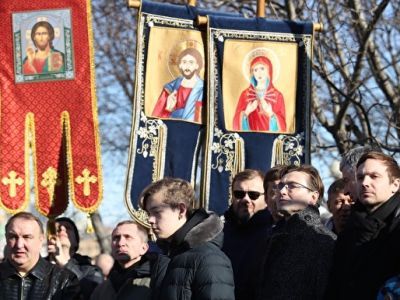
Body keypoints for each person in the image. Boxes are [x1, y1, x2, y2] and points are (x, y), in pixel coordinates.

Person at [141, 177, 235, 300]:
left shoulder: (210, 259)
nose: (150, 220)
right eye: (149, 214)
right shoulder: (165, 256)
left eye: (157, 212)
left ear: (181, 210)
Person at [256, 165, 336, 299]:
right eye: (280, 186)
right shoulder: (273, 237)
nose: (282, 191)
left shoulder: (322, 241)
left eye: (292, 186)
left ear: (313, 197)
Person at [327, 151, 400, 299]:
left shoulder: (396, 227)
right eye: (360, 177)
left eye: (374, 176)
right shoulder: (349, 229)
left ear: (395, 184)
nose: (365, 183)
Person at [0, 212, 80, 299]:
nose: (19, 245)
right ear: (6, 239)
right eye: (13, 237)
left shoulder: (64, 280)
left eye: (27, 237)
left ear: (41, 240)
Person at [222, 169, 273, 300]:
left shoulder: (274, 235)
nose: (246, 199)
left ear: (266, 197)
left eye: (253, 194)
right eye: (239, 194)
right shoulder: (218, 233)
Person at [90, 220, 168, 300]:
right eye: (116, 238)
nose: (120, 243)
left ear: (143, 248)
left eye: (128, 237)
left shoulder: (159, 282)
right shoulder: (102, 289)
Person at [47, 217, 103, 299]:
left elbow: (93, 293)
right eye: (57, 229)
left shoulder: (90, 269)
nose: (62, 229)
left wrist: (65, 263)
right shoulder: (38, 265)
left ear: (76, 242)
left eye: (68, 228)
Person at [233, 55, 286, 132]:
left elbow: (283, 126)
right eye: (255, 70)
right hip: (250, 137)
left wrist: (271, 114)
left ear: (269, 70)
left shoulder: (277, 95)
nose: (259, 73)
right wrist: (247, 112)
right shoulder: (245, 94)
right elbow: (235, 123)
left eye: (262, 68)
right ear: (252, 73)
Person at [152, 47, 203, 123]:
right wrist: (168, 109)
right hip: (172, 127)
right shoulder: (170, 89)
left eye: (191, 62)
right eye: (184, 62)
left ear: (197, 65)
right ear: (180, 65)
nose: (187, 66)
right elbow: (156, 118)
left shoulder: (203, 88)